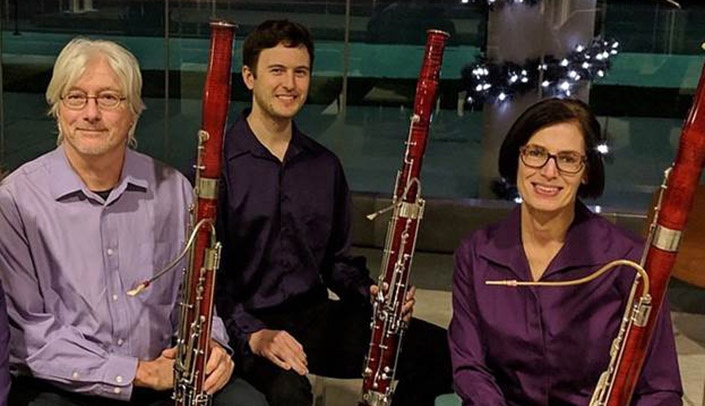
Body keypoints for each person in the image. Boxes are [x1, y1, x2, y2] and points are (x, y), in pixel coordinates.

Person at [0, 37, 267, 406]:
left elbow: (193, 300)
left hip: (164, 370)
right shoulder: (16, 199)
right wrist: (136, 372)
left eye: (109, 98)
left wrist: (214, 346)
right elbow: (31, 334)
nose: (91, 113)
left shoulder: (174, 190)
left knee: (246, 403)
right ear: (58, 108)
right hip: (67, 384)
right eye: (75, 97)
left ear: (134, 110)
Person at [214, 19, 452, 406]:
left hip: (315, 316)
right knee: (288, 391)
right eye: (276, 70)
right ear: (248, 77)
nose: (290, 84)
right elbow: (212, 283)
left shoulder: (324, 166)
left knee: (440, 351)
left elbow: (339, 264)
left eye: (300, 72)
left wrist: (373, 293)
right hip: (247, 327)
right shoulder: (217, 166)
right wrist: (254, 334)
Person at [448, 98, 683, 405]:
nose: (549, 171)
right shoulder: (475, 253)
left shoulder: (629, 262)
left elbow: (660, 389)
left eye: (568, 159)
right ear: (516, 158)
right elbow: (470, 369)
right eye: (536, 153)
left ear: (586, 171)